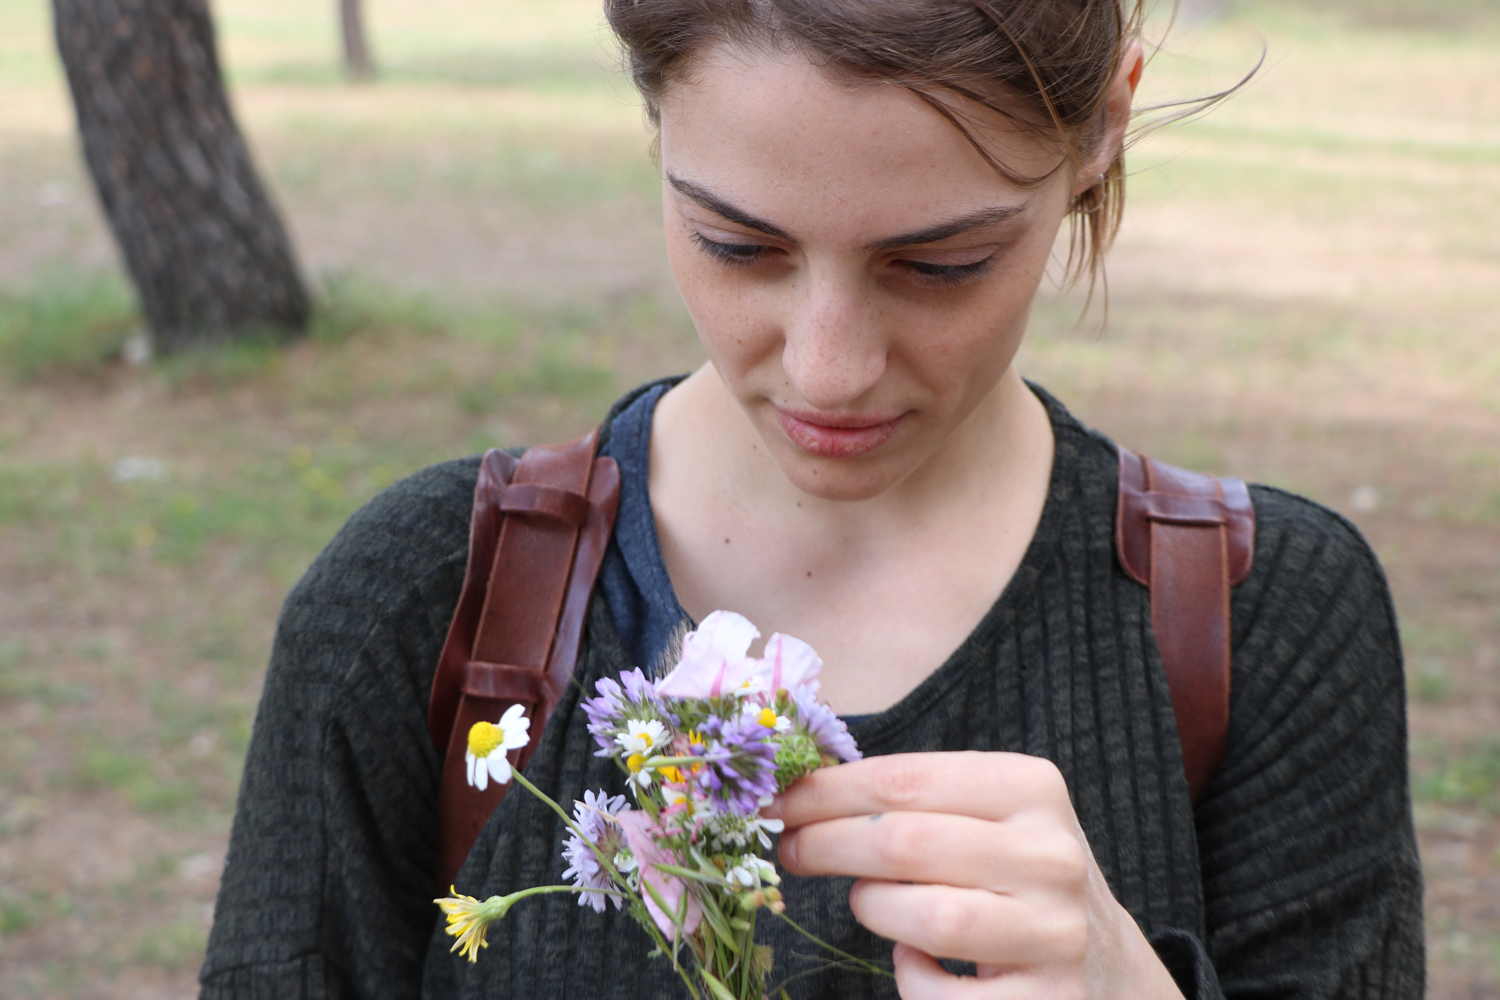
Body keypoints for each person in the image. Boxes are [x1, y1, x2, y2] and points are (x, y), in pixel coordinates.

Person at [199, 2, 1423, 998]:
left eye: (940, 265)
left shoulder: (1264, 617)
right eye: (740, 246)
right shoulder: (424, 604)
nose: (829, 367)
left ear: (1100, 130)